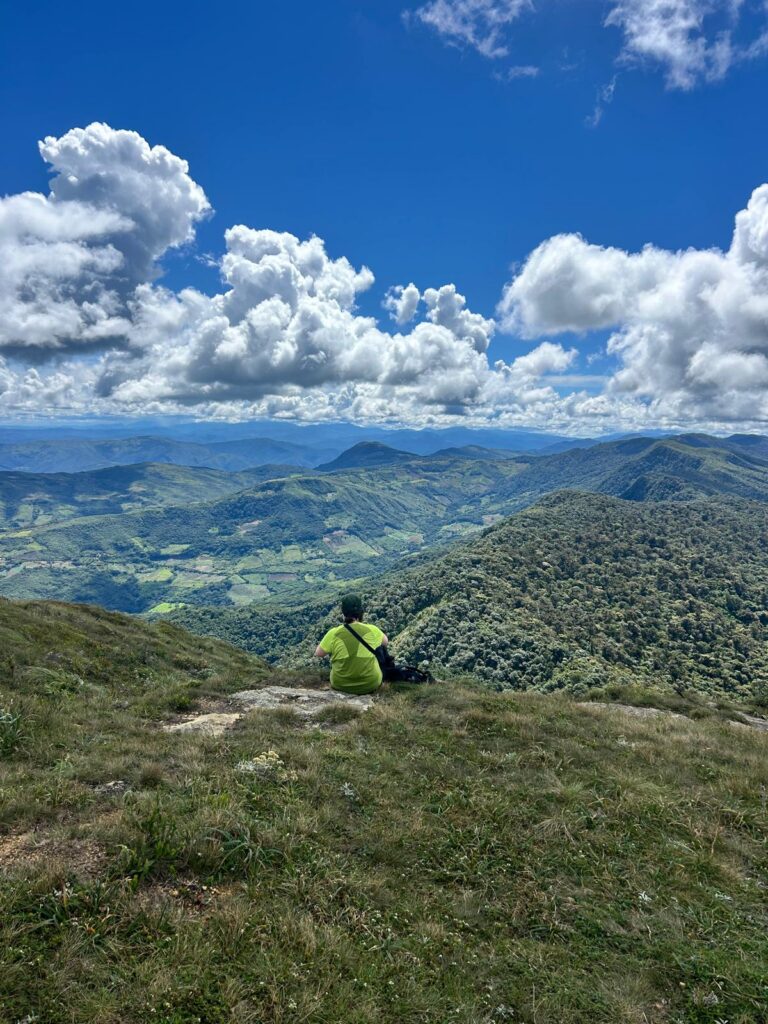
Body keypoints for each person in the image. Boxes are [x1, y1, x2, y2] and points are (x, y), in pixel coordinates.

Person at [314, 593, 389, 695]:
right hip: (370, 683)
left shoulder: (334, 632)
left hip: (340, 684)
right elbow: (385, 642)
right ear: (361, 612)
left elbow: (319, 653)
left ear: (343, 612)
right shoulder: (372, 630)